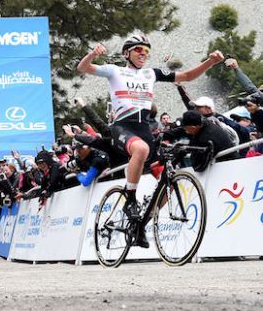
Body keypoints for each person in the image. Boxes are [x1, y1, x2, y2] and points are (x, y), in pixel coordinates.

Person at [77, 34, 224, 248]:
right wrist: (93, 54)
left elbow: (187, 76)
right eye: (138, 50)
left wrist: (210, 62)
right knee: (141, 149)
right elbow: (83, 68)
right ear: (127, 53)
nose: (143, 54)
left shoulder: (151, 74)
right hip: (122, 127)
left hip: (144, 129)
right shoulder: (115, 71)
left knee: (169, 183)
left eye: (146, 51)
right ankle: (130, 199)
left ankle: (142, 224)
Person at [163, 109, 238, 165]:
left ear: (193, 127)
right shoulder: (204, 122)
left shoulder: (205, 138)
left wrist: (175, 160)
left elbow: (198, 165)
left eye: (186, 129)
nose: (186, 132)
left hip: (229, 164)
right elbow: (181, 131)